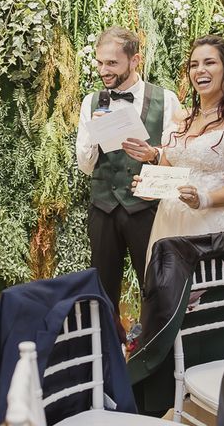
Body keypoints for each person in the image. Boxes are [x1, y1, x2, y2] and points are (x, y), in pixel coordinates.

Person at [76, 26, 180, 339]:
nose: (103, 71)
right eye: (99, 63)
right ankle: (109, 359)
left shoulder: (166, 100)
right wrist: (94, 134)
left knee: (156, 286)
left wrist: (153, 154)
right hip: (103, 207)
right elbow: (85, 166)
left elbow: (178, 156)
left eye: (111, 64)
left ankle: (156, 355)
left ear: (135, 60)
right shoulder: (91, 102)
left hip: (146, 207)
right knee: (103, 290)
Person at [132, 34, 224, 262]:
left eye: (209, 63)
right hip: (167, 225)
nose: (200, 70)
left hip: (210, 227)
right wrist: (149, 188)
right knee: (169, 292)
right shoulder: (180, 117)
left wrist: (202, 199)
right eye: (194, 65)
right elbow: (167, 171)